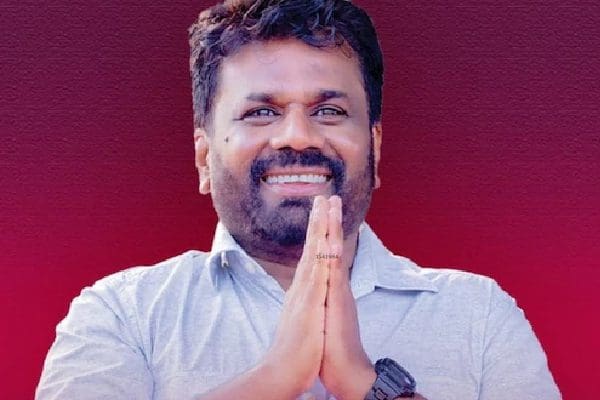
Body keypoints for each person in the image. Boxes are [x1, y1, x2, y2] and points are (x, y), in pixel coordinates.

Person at [36, 0, 561, 399]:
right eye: (260, 112)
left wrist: (365, 383)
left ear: (374, 147)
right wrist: (276, 376)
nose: (297, 136)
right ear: (204, 157)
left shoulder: (478, 316)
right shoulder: (123, 313)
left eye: (329, 111)